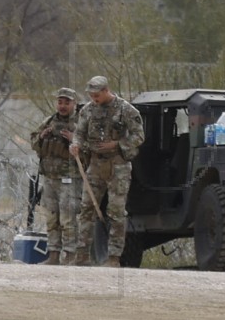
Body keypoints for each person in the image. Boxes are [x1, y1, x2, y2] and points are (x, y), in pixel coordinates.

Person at [69, 76, 145, 267]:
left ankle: (113, 257)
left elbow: (139, 135)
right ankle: (82, 256)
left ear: (106, 90)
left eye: (97, 95)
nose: (94, 98)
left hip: (117, 165)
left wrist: (118, 144)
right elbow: (79, 132)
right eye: (91, 95)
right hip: (95, 165)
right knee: (86, 209)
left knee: (116, 212)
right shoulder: (87, 110)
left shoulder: (126, 110)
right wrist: (76, 144)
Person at [30, 87, 83, 265]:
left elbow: (90, 148)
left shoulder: (81, 123)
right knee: (52, 218)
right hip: (50, 178)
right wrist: (42, 137)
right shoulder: (49, 121)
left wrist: (74, 139)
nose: (62, 106)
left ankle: (70, 255)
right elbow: (34, 143)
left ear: (74, 104)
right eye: (60, 102)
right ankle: (53, 255)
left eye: (67, 102)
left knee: (68, 219)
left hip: (69, 178)